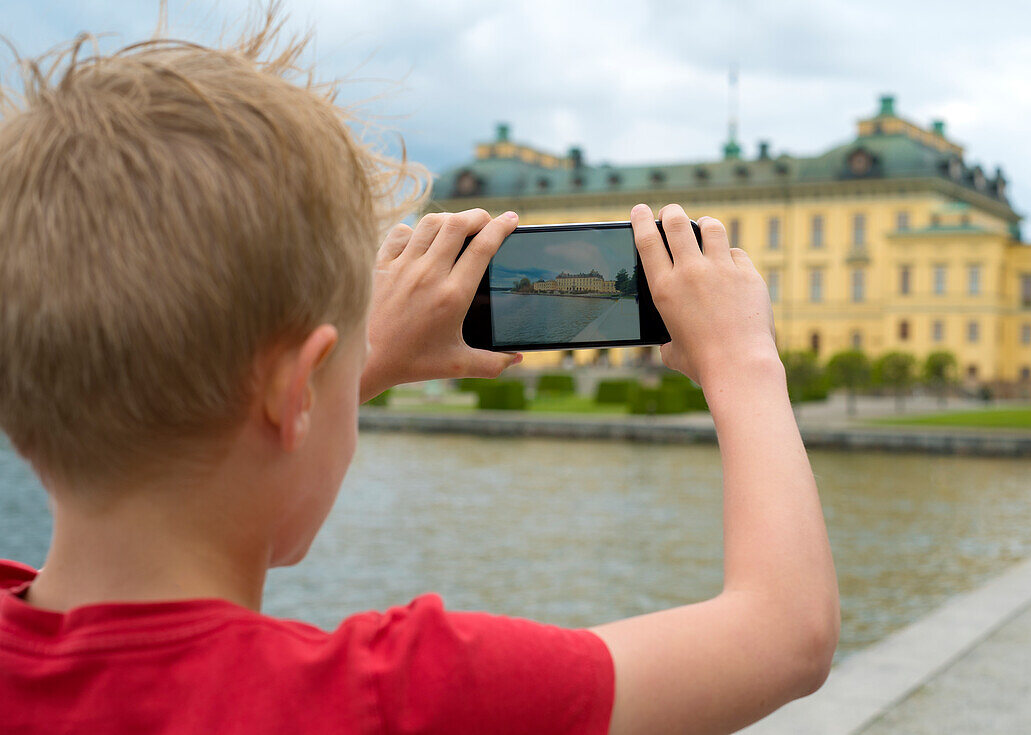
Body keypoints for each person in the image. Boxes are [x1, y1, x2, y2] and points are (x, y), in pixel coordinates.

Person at [0, 8, 838, 735]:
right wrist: (742, 359)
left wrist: (344, 366)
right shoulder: (397, 696)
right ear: (298, 393)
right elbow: (786, 632)